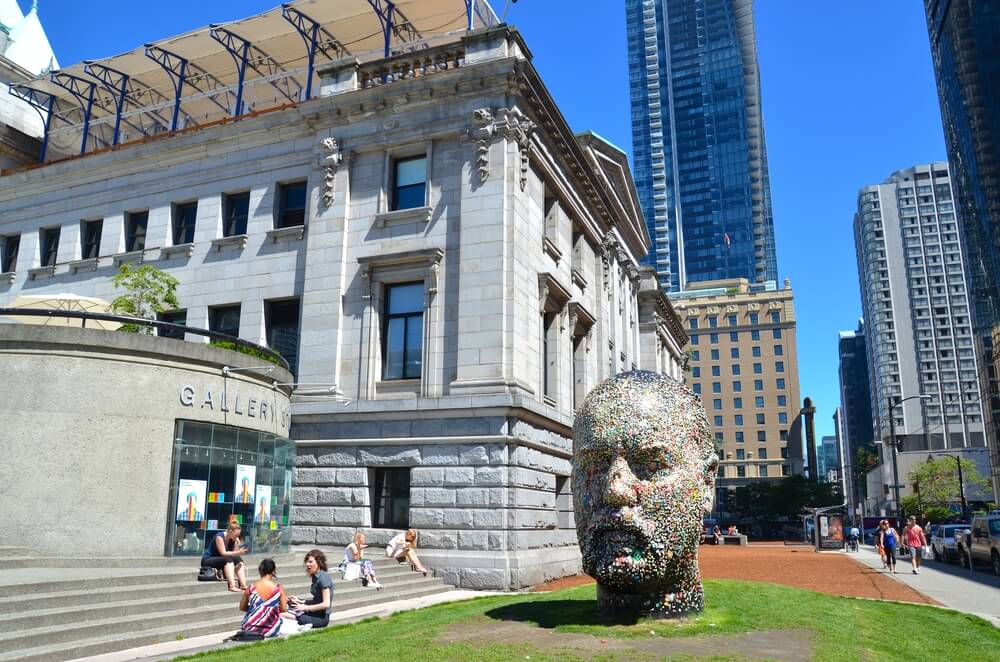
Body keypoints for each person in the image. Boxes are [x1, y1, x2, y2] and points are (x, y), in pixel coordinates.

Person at [238, 558, 287, 638]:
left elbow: (242, 607)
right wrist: (270, 609)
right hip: (269, 629)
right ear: (273, 571)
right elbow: (284, 609)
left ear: (260, 571)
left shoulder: (251, 587)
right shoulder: (278, 589)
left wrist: (257, 608)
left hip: (250, 628)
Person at [288, 549, 334, 629]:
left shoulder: (323, 578)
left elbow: (326, 604)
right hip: (315, 613)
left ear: (318, 562)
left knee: (285, 615)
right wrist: (301, 601)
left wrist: (305, 607)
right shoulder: (315, 577)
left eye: (310, 562)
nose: (307, 564)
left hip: (321, 618)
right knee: (289, 606)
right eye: (306, 562)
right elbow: (317, 600)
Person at [201, 515, 248, 592]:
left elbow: (235, 555)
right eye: (236, 534)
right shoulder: (219, 537)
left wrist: (237, 544)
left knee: (238, 560)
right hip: (208, 560)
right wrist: (238, 552)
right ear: (230, 531)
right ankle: (232, 586)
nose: (237, 536)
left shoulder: (233, 539)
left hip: (221, 560)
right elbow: (223, 553)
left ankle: (243, 585)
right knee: (228, 560)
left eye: (238, 535)